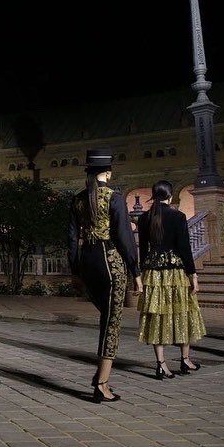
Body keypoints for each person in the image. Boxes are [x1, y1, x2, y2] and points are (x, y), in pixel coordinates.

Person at [68, 149, 141, 402]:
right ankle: (101, 383)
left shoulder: (78, 199)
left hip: (87, 263)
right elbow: (124, 238)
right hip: (110, 261)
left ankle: (100, 375)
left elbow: (71, 238)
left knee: (106, 318)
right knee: (112, 322)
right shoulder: (114, 197)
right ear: (107, 172)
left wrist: (76, 270)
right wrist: (136, 272)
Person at [136, 181, 206, 378]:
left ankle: (161, 364)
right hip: (175, 273)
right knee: (183, 313)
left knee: (157, 317)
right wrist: (193, 275)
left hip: (153, 274)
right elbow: (184, 248)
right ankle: (185, 360)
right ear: (170, 195)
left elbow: (143, 249)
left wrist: (141, 275)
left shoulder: (144, 218)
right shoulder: (178, 216)